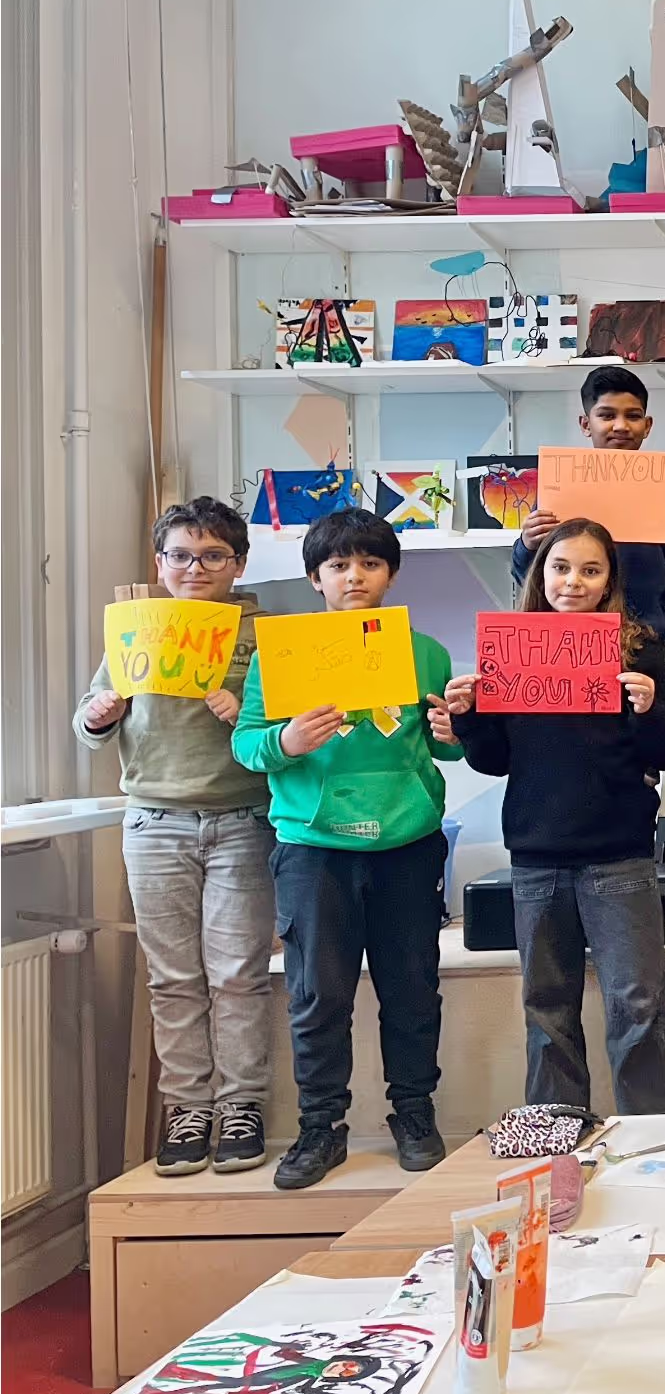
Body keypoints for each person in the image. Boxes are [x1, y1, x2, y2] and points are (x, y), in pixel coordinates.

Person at [232, 509, 466, 1189]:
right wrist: (285, 741)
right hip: (313, 848)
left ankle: (414, 1114)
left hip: (407, 843)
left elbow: (445, 747)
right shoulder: (280, 656)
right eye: (338, 565)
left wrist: (456, 732)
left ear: (391, 573)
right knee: (317, 995)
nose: (354, 577)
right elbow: (247, 744)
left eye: (370, 563)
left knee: (412, 990)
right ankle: (320, 1127)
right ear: (315, 578)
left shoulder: (426, 653)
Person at [446, 518, 665, 1115]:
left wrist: (646, 707)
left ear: (610, 581)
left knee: (638, 1003)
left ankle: (655, 1137)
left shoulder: (640, 649)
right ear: (541, 573)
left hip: (618, 855)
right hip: (536, 858)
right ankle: (556, 1134)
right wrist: (469, 717)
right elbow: (494, 760)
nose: (573, 582)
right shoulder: (511, 648)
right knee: (547, 1007)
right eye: (561, 567)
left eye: (590, 570)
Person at [75, 497, 275, 1175]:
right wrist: (101, 713)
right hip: (154, 821)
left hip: (243, 819)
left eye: (213, 555)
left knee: (239, 974)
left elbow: (290, 726)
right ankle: (188, 1107)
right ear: (160, 563)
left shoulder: (262, 635)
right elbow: (88, 722)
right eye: (181, 556)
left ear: (238, 564)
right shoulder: (138, 628)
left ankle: (242, 1103)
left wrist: (243, 708)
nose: (196, 568)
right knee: (173, 979)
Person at [510, 364, 665, 647]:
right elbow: (527, 577)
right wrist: (526, 545)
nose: (621, 426)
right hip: (569, 639)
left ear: (647, 425)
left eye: (633, 416)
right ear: (586, 424)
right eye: (607, 415)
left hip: (647, 643)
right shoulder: (559, 487)